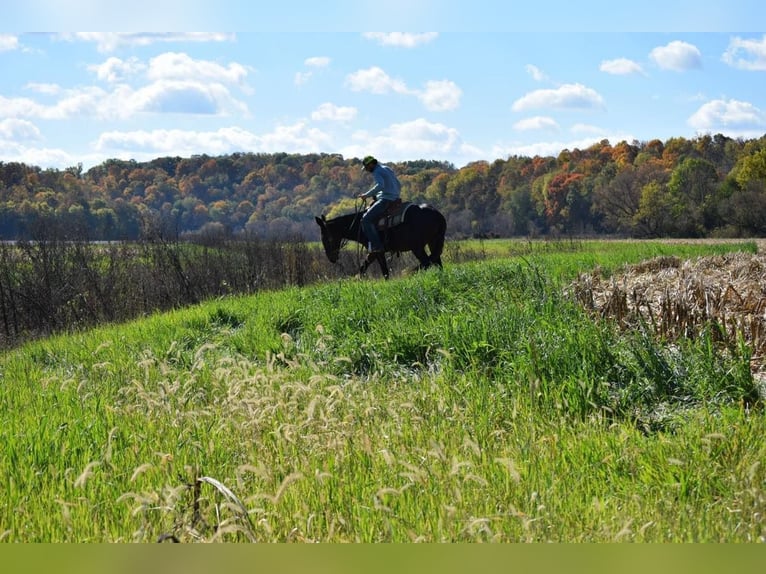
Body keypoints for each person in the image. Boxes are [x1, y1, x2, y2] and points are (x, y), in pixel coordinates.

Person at [358, 155, 401, 253]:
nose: (367, 170)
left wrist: (366, 195)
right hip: (395, 198)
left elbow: (380, 185)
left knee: (365, 220)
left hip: (386, 200)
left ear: (371, 164)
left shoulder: (377, 171)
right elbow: (398, 184)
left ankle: (377, 246)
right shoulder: (387, 168)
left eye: (367, 167)